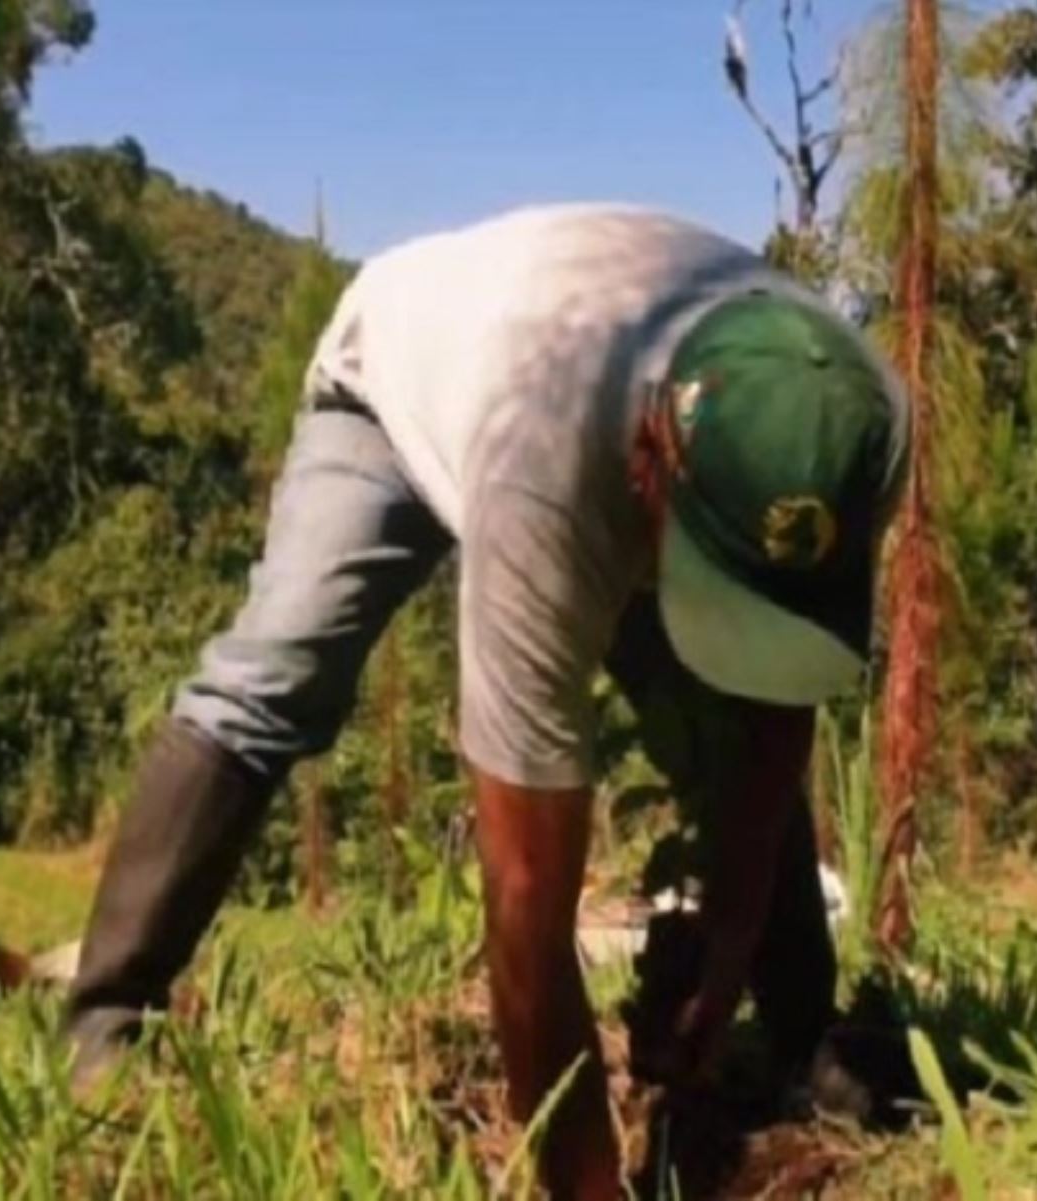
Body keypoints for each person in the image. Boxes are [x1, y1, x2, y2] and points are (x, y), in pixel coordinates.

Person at [61, 202, 908, 1199]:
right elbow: (523, 908)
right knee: (278, 673)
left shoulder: (855, 422)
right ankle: (103, 1024)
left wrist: (726, 959)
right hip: (396, 382)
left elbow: (775, 704)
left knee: (726, 716)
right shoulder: (544, 476)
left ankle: (802, 1033)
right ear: (651, 470)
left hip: (597, 385)